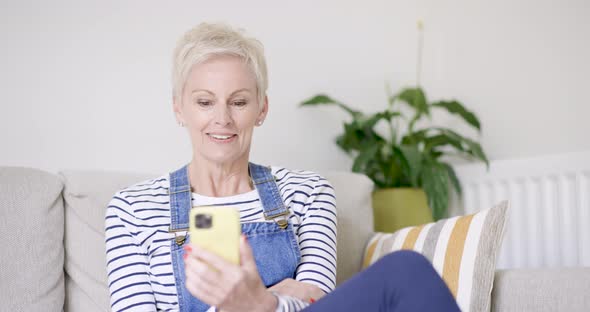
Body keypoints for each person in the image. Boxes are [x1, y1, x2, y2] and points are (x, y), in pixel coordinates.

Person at [104, 22, 460, 312]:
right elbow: (300, 300)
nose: (222, 119)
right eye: (204, 102)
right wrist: (264, 299)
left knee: (406, 270)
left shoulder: (307, 193)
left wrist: (261, 302)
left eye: (239, 101)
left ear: (262, 109)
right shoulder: (132, 210)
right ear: (179, 109)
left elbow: (318, 301)